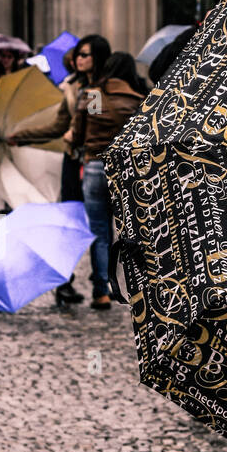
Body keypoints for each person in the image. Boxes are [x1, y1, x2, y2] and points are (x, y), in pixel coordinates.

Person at [7, 34, 111, 304]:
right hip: (74, 162)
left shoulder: (101, 89)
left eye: (85, 54)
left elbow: (95, 126)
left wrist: (74, 135)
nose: (79, 58)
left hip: (94, 160)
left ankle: (101, 287)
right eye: (78, 54)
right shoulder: (72, 87)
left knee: (99, 225)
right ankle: (65, 282)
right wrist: (24, 135)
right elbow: (57, 125)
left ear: (97, 58)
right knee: (70, 221)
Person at [69, 51, 146, 309]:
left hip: (94, 167)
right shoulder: (137, 100)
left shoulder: (95, 96)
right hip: (125, 172)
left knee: (99, 233)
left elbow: (83, 131)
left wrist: (77, 142)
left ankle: (101, 291)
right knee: (131, 232)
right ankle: (134, 289)